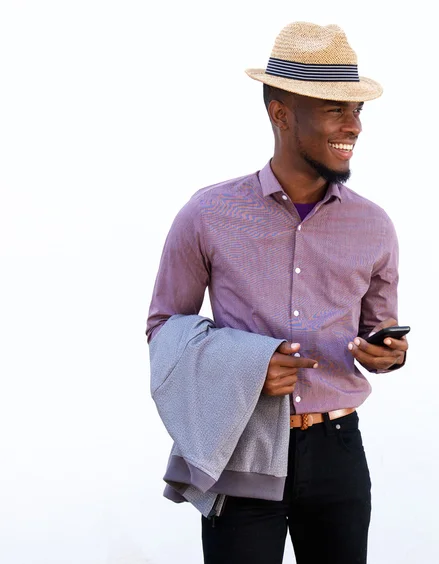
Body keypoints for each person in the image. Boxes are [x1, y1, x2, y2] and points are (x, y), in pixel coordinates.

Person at [146, 21, 408, 564]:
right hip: (242, 446)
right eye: (337, 109)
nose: (354, 126)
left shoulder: (375, 226)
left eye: (358, 110)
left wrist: (386, 355)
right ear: (281, 112)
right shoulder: (207, 214)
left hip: (338, 452)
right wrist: (248, 364)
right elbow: (163, 327)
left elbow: (376, 334)